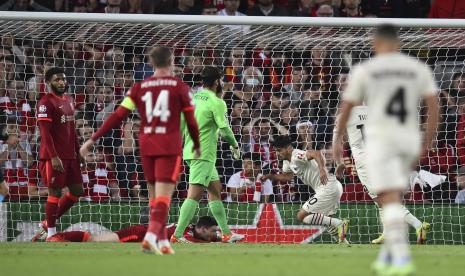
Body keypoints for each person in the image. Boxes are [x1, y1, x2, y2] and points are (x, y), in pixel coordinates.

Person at [333, 24, 439, 275]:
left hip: (365, 159)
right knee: (387, 198)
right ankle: (392, 243)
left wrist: (337, 151)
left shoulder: (346, 112)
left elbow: (341, 133)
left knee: (383, 199)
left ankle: (414, 227)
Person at [80, 46, 201, 255]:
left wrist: (92, 138)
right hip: (168, 145)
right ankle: (151, 237)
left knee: (154, 197)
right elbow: (190, 119)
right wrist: (196, 144)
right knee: (164, 196)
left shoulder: (139, 87)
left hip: (146, 144)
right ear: (171, 61)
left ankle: (162, 242)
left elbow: (117, 116)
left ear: (151, 63)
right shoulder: (179, 87)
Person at [333, 104, 431, 245]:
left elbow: (337, 141)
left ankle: (418, 225)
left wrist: (339, 163)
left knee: (381, 200)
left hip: (364, 161)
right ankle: (387, 233)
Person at [172, 66, 244, 244]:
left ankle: (226, 233)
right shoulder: (216, 102)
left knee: (215, 191)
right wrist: (235, 145)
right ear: (217, 82)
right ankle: (177, 235)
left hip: (191, 151)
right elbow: (225, 129)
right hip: (203, 154)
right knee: (194, 195)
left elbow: (181, 124)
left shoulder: (192, 98)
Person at [262, 135, 349, 243]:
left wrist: (322, 169)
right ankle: (344, 244)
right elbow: (287, 177)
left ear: (289, 148)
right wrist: (270, 176)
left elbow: (316, 153)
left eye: (279, 150)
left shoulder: (296, 155)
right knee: (326, 221)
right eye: (276, 151)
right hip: (330, 187)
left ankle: (339, 223)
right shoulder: (287, 162)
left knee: (302, 215)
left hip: (328, 187)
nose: (277, 153)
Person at [32, 67, 84, 242]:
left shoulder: (69, 100)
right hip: (53, 156)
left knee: (77, 191)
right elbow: (45, 133)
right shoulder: (46, 102)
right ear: (48, 83)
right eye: (57, 80)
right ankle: (52, 234)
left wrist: (78, 151)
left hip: (70, 155)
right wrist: (53, 157)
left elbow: (72, 129)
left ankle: (48, 223)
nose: (61, 82)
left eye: (63, 79)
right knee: (54, 192)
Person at [37, 216, 220, 243]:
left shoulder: (190, 230)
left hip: (144, 234)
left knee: (96, 239)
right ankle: (55, 235)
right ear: (201, 229)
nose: (214, 235)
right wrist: (219, 242)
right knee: (96, 240)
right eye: (213, 231)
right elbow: (193, 242)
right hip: (138, 234)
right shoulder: (187, 234)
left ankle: (53, 235)